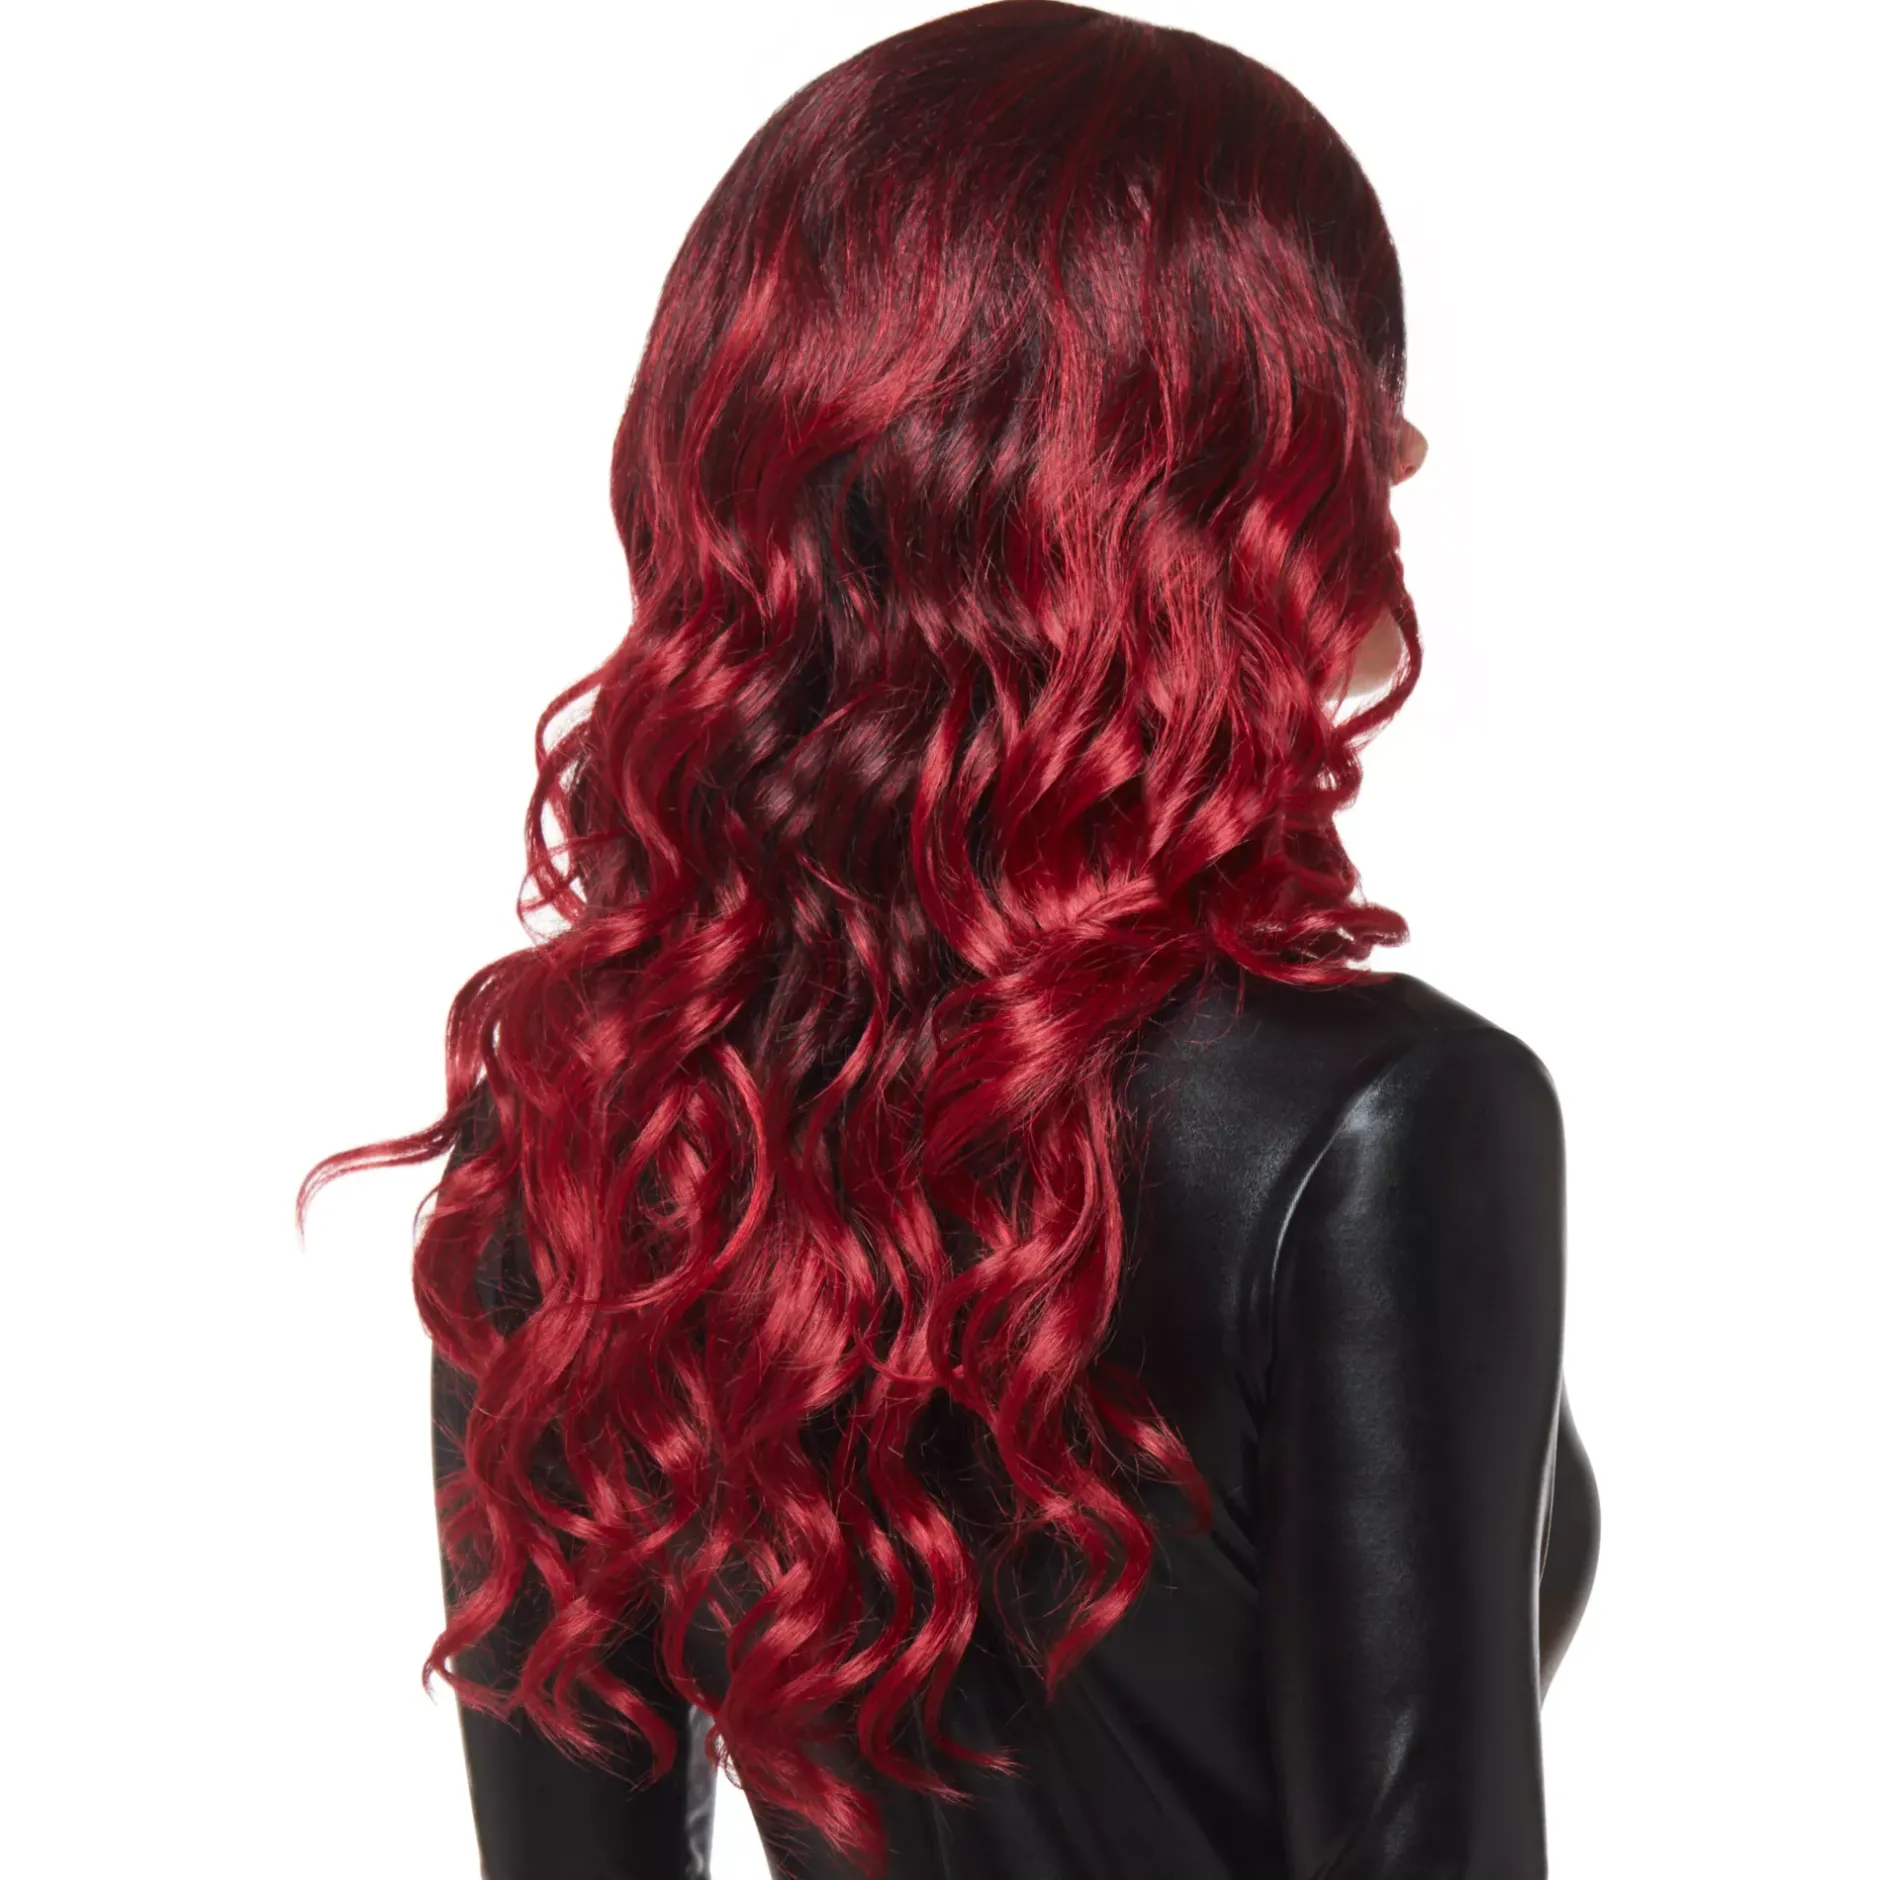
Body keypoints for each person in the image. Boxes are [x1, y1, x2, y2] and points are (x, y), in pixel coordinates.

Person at [299, 4, 1599, 1874]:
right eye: (1348, 402)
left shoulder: (591, 1114)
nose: (1401, 462)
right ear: (1223, 490)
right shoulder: (1376, 1121)